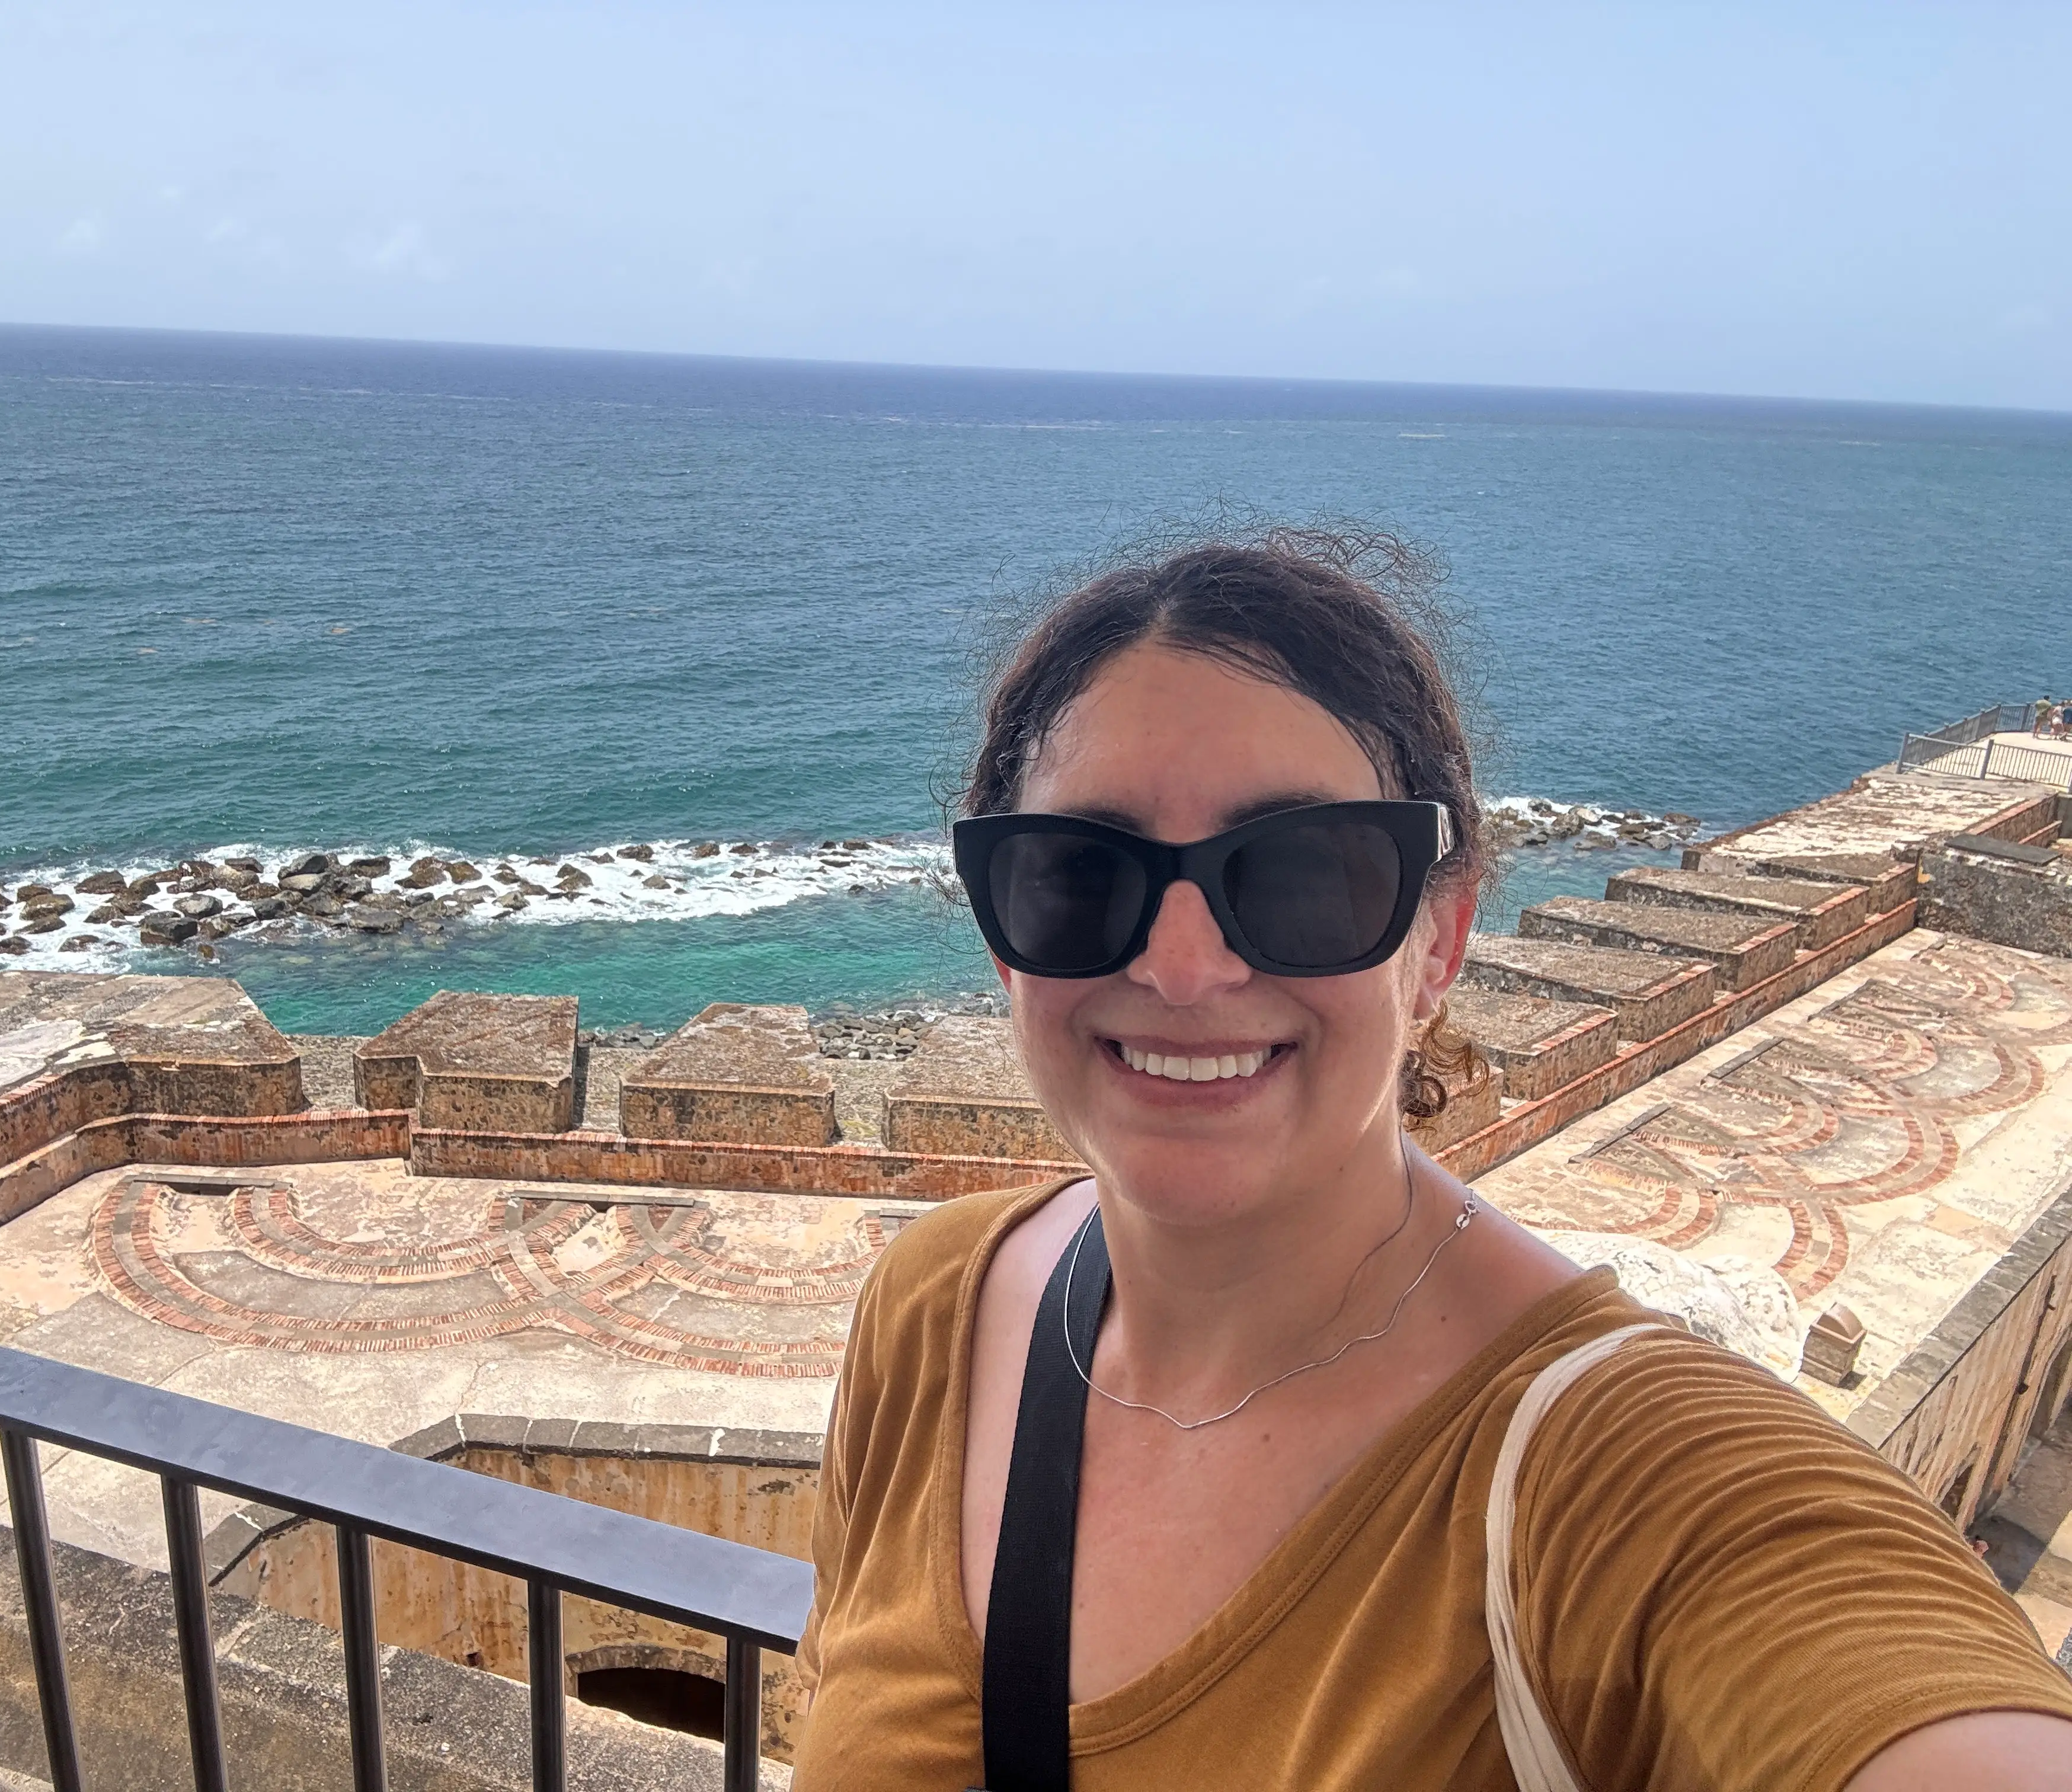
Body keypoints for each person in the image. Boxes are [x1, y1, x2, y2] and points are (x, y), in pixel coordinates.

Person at [791, 529, 2072, 1790]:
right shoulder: (932, 1310)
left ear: (1438, 947)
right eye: (1078, 873)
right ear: (1004, 935)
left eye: (1303, 875)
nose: (1183, 970)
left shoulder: (1617, 1481)